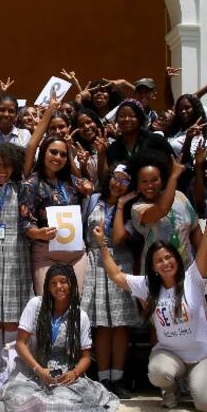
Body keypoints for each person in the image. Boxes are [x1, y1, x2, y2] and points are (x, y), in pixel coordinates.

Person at [96, 180, 207, 412]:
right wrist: (102, 246)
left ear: (176, 259)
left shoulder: (193, 278)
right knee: (158, 372)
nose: (165, 263)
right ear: (153, 267)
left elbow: (205, 245)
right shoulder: (148, 285)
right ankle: (172, 388)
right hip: (170, 355)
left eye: (169, 258)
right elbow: (116, 275)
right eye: (159, 260)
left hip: (201, 356)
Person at [0, 263, 116, 412]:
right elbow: (20, 344)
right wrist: (39, 370)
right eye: (53, 283)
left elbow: (86, 357)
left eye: (63, 282)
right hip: (31, 371)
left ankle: (50, 405)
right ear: (47, 287)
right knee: (19, 397)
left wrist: (74, 373)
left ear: (72, 283)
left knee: (68, 399)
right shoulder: (35, 305)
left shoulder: (80, 316)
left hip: (63, 375)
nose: (59, 287)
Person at [80, 165, 139, 398]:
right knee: (102, 324)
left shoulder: (133, 209)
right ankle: (103, 378)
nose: (118, 184)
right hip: (95, 262)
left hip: (119, 262)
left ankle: (118, 377)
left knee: (120, 324)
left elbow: (118, 237)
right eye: (116, 177)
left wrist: (122, 205)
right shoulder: (94, 199)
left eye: (125, 181)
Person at [0, 142, 33, 391]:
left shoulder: (21, 188)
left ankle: (10, 379)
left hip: (16, 257)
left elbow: (31, 147)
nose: (3, 170)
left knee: (12, 321)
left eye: (8, 165)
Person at [19, 133, 89, 293]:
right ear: (43, 153)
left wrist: (87, 188)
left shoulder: (73, 181)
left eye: (63, 154)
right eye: (53, 152)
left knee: (75, 303)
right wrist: (39, 233)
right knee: (48, 303)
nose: (58, 157)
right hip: (46, 254)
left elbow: (89, 189)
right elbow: (25, 222)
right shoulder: (30, 184)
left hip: (76, 254)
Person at [129, 153, 202, 268]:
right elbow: (162, 209)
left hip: (187, 269)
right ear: (137, 184)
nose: (150, 185)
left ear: (162, 180)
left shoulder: (180, 196)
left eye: (154, 180)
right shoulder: (138, 208)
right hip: (157, 272)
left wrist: (203, 259)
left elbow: (195, 229)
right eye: (144, 181)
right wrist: (174, 177)